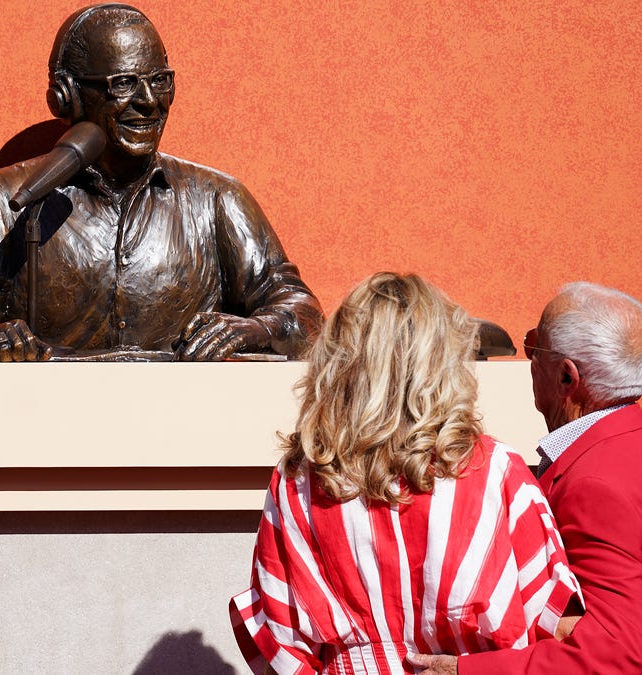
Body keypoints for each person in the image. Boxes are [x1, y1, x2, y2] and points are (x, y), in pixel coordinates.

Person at [0, 3, 323, 362]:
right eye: (123, 84)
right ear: (65, 96)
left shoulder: (217, 200)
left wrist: (253, 331)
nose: (148, 101)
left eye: (160, 81)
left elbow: (301, 309)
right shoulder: (5, 200)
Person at [229, 273, 584, 674]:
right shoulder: (497, 470)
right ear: (441, 361)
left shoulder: (299, 481)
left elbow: (279, 635)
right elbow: (549, 622)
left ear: (339, 360)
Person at [411, 282, 642, 674]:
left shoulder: (595, 483)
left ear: (567, 377)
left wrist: (465, 670)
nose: (528, 359)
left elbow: (609, 650)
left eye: (533, 345)